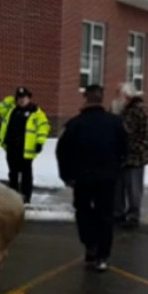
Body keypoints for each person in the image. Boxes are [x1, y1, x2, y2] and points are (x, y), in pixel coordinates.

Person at [55, 84, 128, 272]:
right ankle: (102, 256)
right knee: (105, 215)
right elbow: (125, 149)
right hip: (107, 178)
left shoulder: (75, 124)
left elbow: (62, 151)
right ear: (102, 98)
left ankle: (90, 245)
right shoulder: (115, 123)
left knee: (84, 212)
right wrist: (116, 169)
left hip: (82, 179)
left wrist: (67, 175)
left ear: (85, 98)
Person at [0, 87, 50, 204]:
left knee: (26, 176)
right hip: (11, 148)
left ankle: (26, 198)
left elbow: (44, 128)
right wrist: (12, 98)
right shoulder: (11, 110)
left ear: (29, 98)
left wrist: (40, 142)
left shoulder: (36, 112)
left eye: (24, 98)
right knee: (13, 174)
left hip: (26, 150)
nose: (22, 100)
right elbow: (0, 107)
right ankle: (13, 198)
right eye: (19, 98)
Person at [111, 81, 148, 229]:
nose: (116, 97)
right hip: (118, 157)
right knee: (117, 188)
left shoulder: (140, 110)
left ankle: (133, 216)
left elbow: (146, 135)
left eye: (119, 94)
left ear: (127, 96)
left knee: (133, 188)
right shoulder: (117, 109)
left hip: (135, 157)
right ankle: (118, 213)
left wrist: (132, 149)